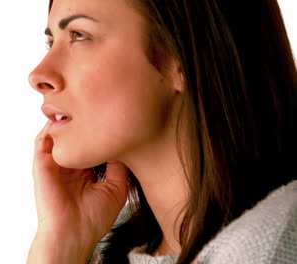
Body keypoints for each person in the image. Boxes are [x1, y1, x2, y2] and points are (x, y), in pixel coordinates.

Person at [27, 0, 296, 263]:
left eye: (79, 35)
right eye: (51, 42)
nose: (38, 75)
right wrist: (61, 243)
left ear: (183, 56)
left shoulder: (273, 244)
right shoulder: (107, 244)